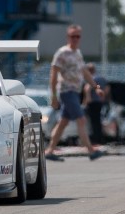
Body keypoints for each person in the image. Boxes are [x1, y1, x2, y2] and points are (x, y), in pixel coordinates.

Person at [42, 25, 106, 161]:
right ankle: (91, 151)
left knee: (63, 122)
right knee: (81, 119)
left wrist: (96, 87)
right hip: (67, 91)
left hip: (75, 92)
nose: (75, 39)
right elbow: (53, 75)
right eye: (73, 36)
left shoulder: (77, 53)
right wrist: (53, 96)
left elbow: (85, 72)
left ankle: (50, 150)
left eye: (78, 36)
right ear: (68, 37)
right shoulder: (62, 53)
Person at [84, 62, 108, 145]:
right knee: (98, 120)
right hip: (99, 102)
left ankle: (95, 139)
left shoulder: (91, 79)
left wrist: (88, 99)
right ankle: (100, 138)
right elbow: (107, 89)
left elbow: (87, 89)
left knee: (93, 122)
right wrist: (103, 97)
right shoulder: (101, 78)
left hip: (92, 102)